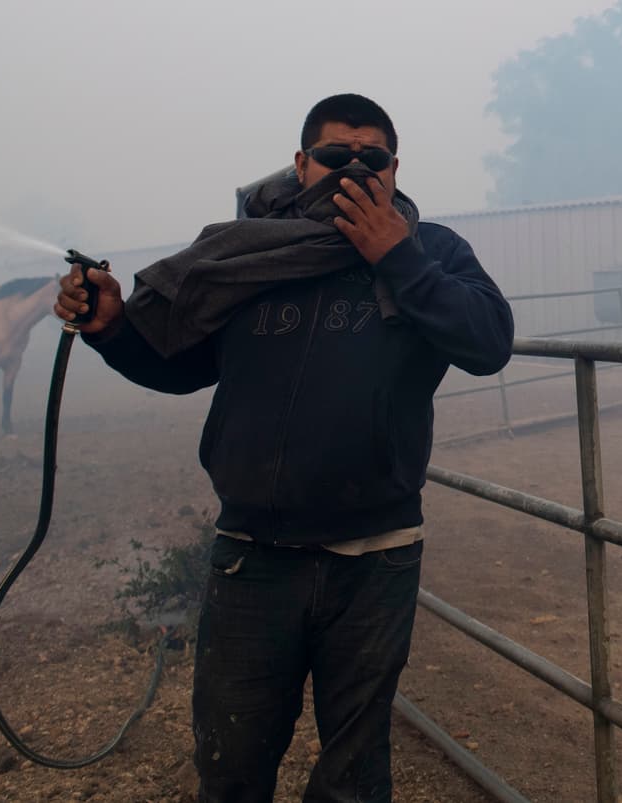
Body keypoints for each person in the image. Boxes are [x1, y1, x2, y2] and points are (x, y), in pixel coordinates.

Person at [54, 93, 514, 803]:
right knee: (232, 765)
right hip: (252, 559)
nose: (353, 169)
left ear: (396, 169)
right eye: (334, 156)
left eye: (373, 158)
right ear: (301, 165)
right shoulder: (247, 253)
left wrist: (400, 259)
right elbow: (183, 366)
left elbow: (489, 341)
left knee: (353, 778)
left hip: (375, 557)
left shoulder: (434, 251)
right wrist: (114, 329)